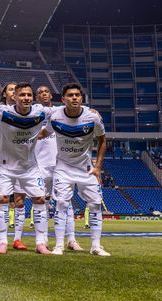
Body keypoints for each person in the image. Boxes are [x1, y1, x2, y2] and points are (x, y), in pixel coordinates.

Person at [40, 83, 110, 256]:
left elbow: (103, 140)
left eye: (77, 95)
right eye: (70, 95)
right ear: (63, 99)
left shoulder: (92, 117)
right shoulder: (55, 116)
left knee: (94, 205)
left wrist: (98, 167)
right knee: (62, 204)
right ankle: (58, 246)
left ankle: (96, 246)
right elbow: (44, 133)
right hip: (63, 168)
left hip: (86, 169)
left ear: (82, 98)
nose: (74, 98)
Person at [0, 83, 54, 254]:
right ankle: (2, 242)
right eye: (22, 95)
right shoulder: (2, 112)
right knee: (2, 200)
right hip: (5, 166)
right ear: (15, 97)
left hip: (30, 168)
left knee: (40, 200)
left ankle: (40, 243)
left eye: (29, 95)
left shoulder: (40, 111)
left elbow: (60, 113)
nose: (26, 98)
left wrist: (89, 111)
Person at [36, 84, 82, 252]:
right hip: (40, 164)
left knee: (65, 202)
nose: (43, 94)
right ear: (37, 97)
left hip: (60, 163)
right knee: (42, 201)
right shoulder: (33, 113)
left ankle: (71, 239)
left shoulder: (60, 112)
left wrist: (94, 111)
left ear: (52, 95)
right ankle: (43, 239)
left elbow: (79, 107)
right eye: (40, 92)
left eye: (46, 91)